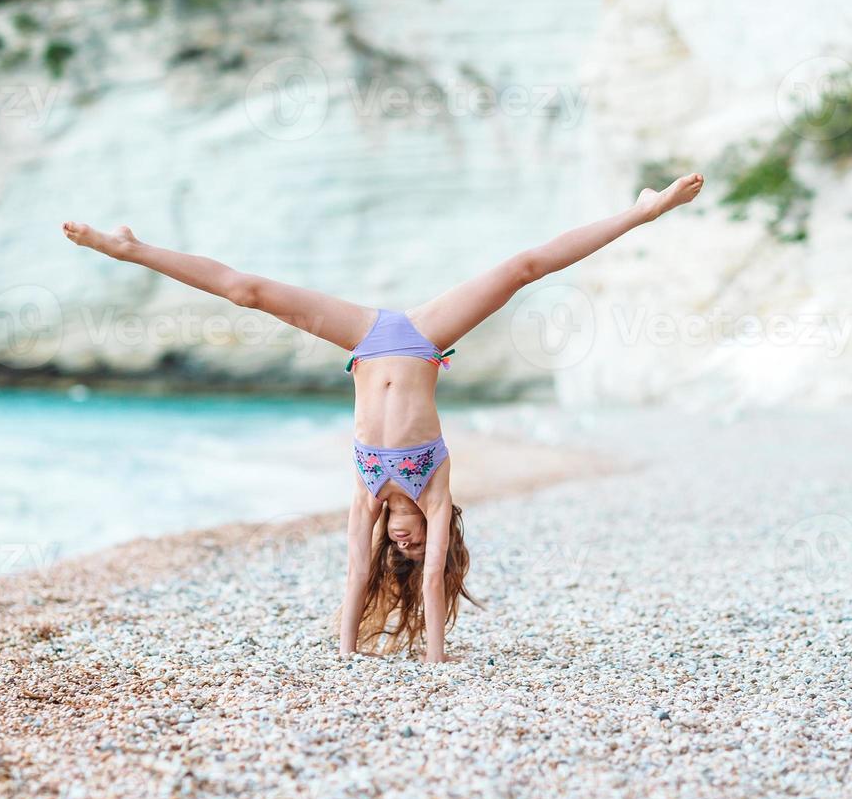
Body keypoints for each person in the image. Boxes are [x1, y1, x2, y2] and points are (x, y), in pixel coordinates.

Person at [63, 173, 704, 662]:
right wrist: (436, 657)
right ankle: (643, 210)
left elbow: (356, 573)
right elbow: (433, 580)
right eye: (420, 543)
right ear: (439, 531)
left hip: (366, 339)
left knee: (247, 294)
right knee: (521, 269)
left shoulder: (369, 494)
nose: (409, 544)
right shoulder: (433, 484)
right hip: (423, 335)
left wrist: (345, 656)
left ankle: (131, 250)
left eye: (404, 547)